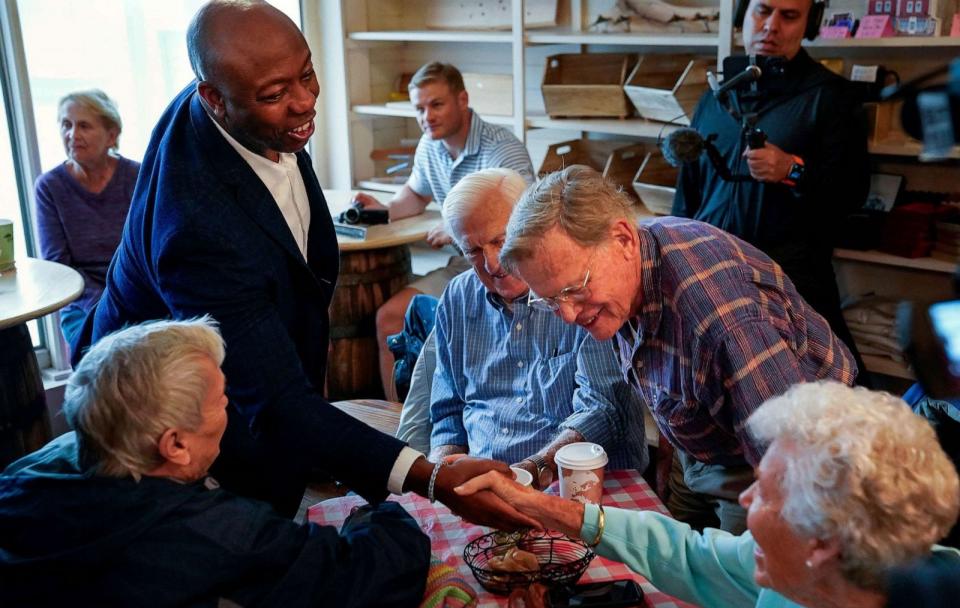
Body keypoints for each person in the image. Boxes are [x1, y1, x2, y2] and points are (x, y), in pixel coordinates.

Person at [75, 1, 535, 530]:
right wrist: (428, 479)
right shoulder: (199, 231)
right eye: (275, 95)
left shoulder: (251, 104)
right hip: (163, 424)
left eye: (308, 75)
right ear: (214, 99)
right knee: (249, 549)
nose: (303, 103)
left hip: (246, 404)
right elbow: (273, 400)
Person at [0, 318, 431, 608]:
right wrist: (377, 515)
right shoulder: (217, 536)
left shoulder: (21, 478)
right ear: (175, 445)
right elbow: (381, 573)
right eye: (222, 400)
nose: (233, 412)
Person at [500, 165, 857, 533]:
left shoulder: (721, 322)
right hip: (707, 447)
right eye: (550, 300)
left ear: (622, 239)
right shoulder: (630, 269)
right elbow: (674, 382)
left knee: (728, 585)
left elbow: (793, 469)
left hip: (777, 463)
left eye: (575, 289)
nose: (569, 315)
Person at [455, 381, 960, 608]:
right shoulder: (818, 581)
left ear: (823, 542)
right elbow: (691, 554)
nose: (743, 500)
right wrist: (537, 504)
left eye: (763, 492)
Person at [410, 168, 647, 485]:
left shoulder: (577, 292)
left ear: (529, 227)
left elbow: (602, 412)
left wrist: (526, 474)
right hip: (485, 488)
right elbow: (447, 411)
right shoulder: (458, 296)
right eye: (474, 251)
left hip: (575, 485)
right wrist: (443, 475)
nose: (493, 264)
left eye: (500, 241)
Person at [671, 0, 869, 376]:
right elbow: (688, 196)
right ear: (744, 15)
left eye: (789, 16)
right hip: (711, 282)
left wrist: (793, 170)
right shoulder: (715, 96)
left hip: (790, 288)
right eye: (762, 11)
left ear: (810, 24)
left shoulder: (830, 98)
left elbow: (852, 194)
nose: (771, 26)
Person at [351, 61, 534, 400]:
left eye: (436, 105)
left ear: (463, 100)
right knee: (389, 318)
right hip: (462, 268)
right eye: (419, 108)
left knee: (466, 335)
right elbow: (416, 195)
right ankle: (401, 431)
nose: (427, 117)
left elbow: (527, 215)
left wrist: (458, 229)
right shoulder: (429, 146)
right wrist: (383, 210)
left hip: (507, 270)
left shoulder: (501, 149)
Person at [34, 90, 140, 346]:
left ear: (111, 135)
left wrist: (127, 300)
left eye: (84, 126)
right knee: (106, 354)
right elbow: (59, 266)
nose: (72, 135)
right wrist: (106, 305)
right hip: (82, 303)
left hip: (136, 292)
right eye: (66, 125)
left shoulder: (137, 176)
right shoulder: (49, 187)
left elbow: (150, 249)